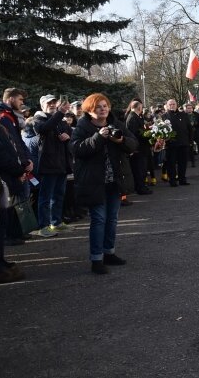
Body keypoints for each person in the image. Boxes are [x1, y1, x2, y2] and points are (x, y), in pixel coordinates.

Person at [70, 93, 138, 274]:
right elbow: (77, 149)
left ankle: (109, 252)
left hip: (114, 181)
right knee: (99, 219)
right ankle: (96, 259)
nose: (103, 109)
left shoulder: (116, 124)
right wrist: (98, 137)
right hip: (94, 182)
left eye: (105, 105)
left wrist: (121, 140)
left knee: (112, 219)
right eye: (99, 106)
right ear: (90, 110)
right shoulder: (82, 127)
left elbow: (133, 144)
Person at [33, 94, 73, 236]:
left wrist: (67, 136)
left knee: (59, 195)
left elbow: (69, 131)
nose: (51, 105)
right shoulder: (38, 118)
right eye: (49, 103)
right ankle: (43, 226)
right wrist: (60, 113)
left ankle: (56, 222)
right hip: (48, 164)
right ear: (42, 105)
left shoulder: (59, 118)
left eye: (54, 102)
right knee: (45, 197)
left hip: (61, 163)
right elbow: (43, 129)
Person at [0, 118, 29, 283]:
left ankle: (0, 261)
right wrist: (18, 170)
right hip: (3, 178)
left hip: (4, 181)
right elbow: (1, 156)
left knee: (2, 223)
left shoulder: (0, 127)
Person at [162, 99, 192, 186]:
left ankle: (182, 179)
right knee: (171, 163)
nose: (172, 106)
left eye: (173, 104)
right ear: (167, 106)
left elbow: (189, 128)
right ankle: (172, 180)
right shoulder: (164, 116)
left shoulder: (183, 115)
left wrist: (190, 141)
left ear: (176, 105)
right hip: (171, 144)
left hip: (183, 142)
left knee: (183, 163)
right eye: (170, 104)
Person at [125, 100, 153, 195]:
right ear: (139, 108)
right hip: (138, 148)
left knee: (142, 169)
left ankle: (142, 186)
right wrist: (148, 134)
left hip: (142, 148)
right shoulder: (132, 118)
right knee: (139, 170)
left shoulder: (136, 117)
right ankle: (140, 188)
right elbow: (135, 134)